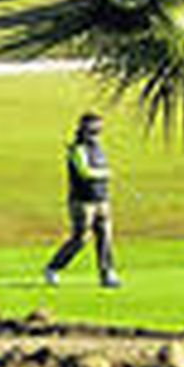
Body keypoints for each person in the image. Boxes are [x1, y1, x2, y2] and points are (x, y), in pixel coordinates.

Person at [44, 112, 121, 288]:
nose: (97, 133)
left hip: (102, 200)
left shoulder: (98, 148)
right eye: (93, 129)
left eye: (99, 129)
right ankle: (53, 268)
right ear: (83, 129)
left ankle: (107, 273)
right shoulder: (78, 149)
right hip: (83, 202)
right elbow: (85, 172)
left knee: (105, 237)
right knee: (81, 238)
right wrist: (105, 174)